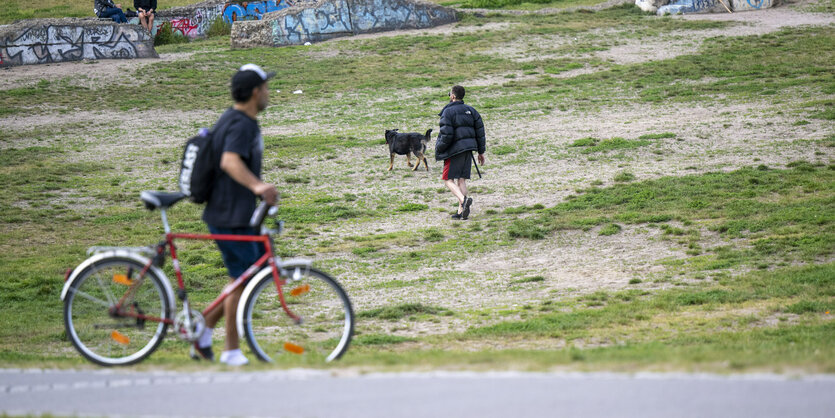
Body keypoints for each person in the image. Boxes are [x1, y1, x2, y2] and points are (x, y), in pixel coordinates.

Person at [191, 63, 278, 366]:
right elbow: (229, 161)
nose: (269, 92)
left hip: (233, 212)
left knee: (249, 272)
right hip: (230, 215)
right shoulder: (241, 123)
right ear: (256, 92)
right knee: (241, 279)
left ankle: (201, 330)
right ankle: (231, 350)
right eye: (266, 87)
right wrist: (259, 187)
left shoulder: (234, 118)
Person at [435, 85, 486, 220]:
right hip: (468, 149)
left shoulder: (448, 112)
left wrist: (439, 148)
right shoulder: (471, 110)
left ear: (452, 96)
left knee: (447, 179)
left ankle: (463, 200)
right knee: (461, 180)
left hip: (454, 151)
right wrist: (481, 152)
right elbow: (480, 132)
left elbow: (446, 134)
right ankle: (461, 212)